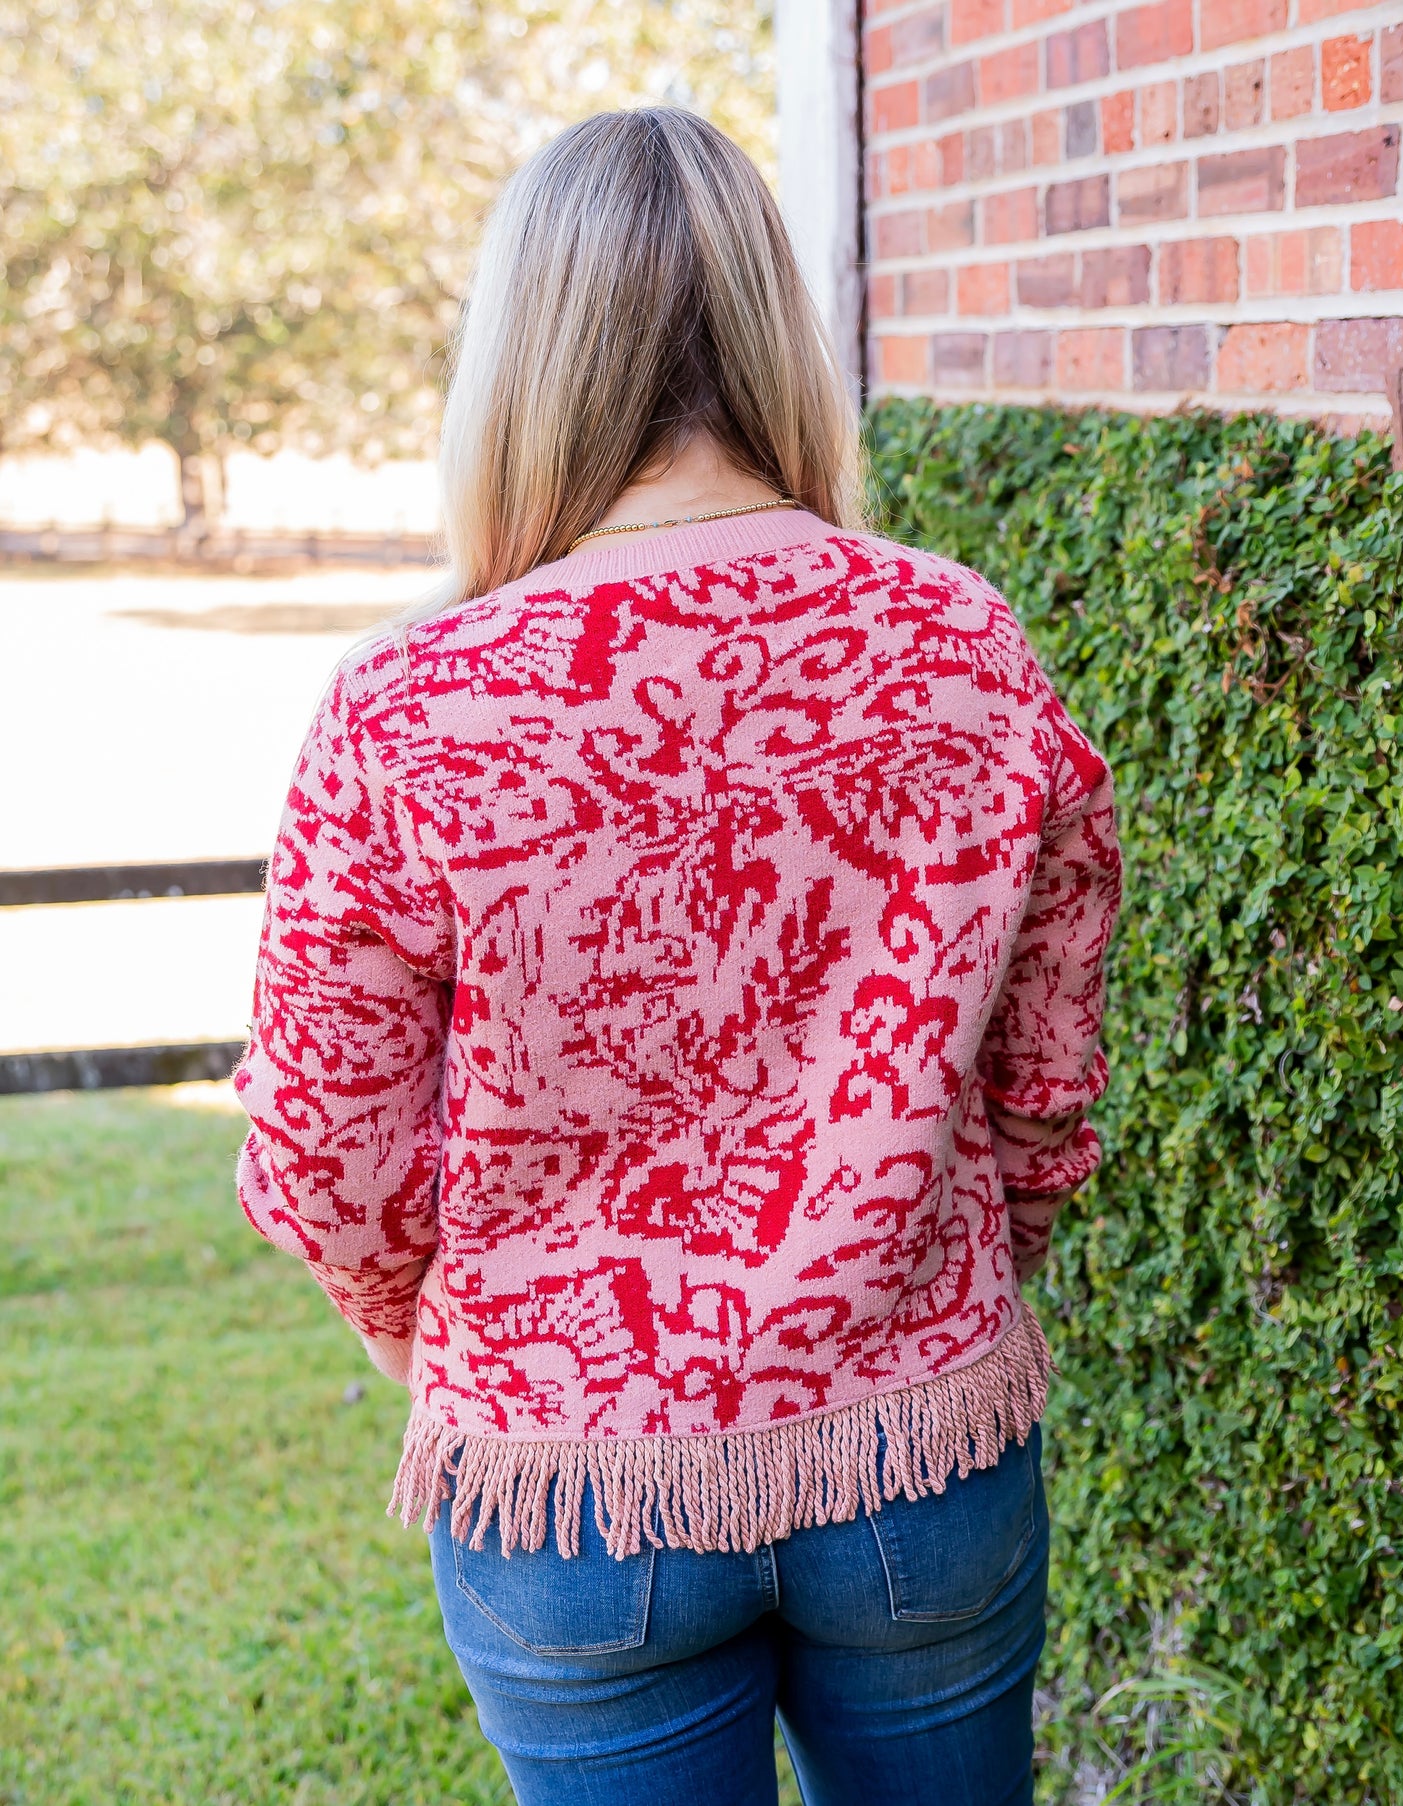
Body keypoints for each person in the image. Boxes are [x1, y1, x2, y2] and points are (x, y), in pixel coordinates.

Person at [234, 105, 1121, 1806]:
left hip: (571, 1490)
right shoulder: (956, 638)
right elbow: (1044, 1067)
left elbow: (322, 1144)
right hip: (917, 1443)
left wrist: (420, 1336)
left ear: (520, 357)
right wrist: (958, 1249)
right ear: (780, 330)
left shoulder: (410, 707)